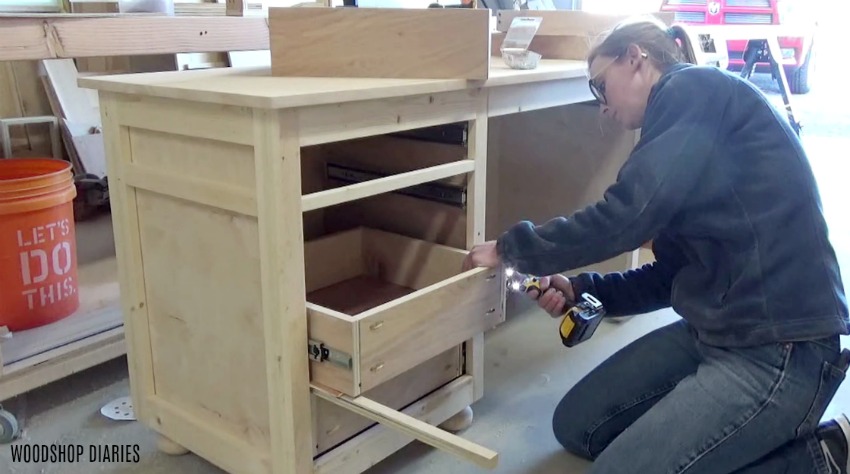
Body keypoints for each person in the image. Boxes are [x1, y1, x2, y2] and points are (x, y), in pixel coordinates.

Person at [462, 16, 850, 474]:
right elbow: (672, 274)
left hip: (779, 348)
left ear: (635, 59)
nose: (602, 107)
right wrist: (583, 288)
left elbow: (628, 214)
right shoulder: (682, 132)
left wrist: (513, 248)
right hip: (715, 328)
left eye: (600, 87)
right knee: (577, 426)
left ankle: (822, 457)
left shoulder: (694, 89)